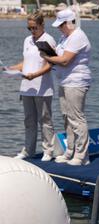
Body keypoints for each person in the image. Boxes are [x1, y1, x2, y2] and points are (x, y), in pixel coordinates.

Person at [42, 9, 91, 166]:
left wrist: (47, 57)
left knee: (77, 118)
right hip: (64, 80)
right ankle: (70, 151)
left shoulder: (78, 36)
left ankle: (82, 155)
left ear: (69, 22)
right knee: (66, 118)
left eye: (61, 25)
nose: (59, 28)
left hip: (76, 81)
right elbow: (59, 55)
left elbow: (65, 60)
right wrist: (49, 52)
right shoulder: (64, 36)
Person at [5, 11, 57, 161]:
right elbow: (25, 62)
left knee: (45, 121)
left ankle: (48, 151)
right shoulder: (27, 40)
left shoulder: (49, 40)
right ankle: (28, 150)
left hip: (42, 88)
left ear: (42, 25)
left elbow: (51, 64)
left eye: (34, 28)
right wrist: (10, 68)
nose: (32, 31)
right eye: (29, 28)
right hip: (26, 88)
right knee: (29, 120)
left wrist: (35, 75)